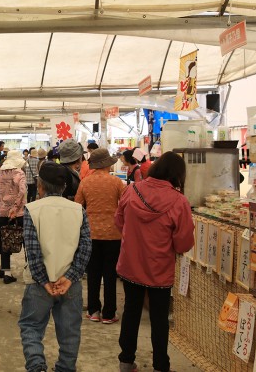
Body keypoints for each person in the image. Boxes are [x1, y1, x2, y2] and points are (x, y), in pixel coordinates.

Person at [115, 152, 195, 372]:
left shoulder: (131, 191)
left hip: (131, 264)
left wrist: (134, 238)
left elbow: (119, 222)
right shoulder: (180, 201)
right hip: (160, 268)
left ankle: (126, 362)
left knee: (131, 312)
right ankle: (161, 365)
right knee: (159, 319)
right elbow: (183, 243)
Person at [19, 162, 92, 372]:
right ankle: (66, 368)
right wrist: (70, 277)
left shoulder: (32, 210)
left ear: (40, 185)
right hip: (70, 284)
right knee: (70, 333)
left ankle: (37, 367)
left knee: (31, 326)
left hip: (38, 285)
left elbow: (32, 251)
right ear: (64, 186)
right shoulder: (79, 210)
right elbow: (86, 247)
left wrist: (43, 280)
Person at [75, 148, 126, 324]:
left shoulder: (85, 182)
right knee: (111, 274)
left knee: (93, 273)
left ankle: (94, 310)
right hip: (113, 234)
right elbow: (125, 204)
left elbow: (77, 206)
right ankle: (109, 313)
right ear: (108, 164)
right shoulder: (117, 183)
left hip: (90, 233)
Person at [0, 149, 27, 284]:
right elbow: (23, 191)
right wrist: (16, 207)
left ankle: (6, 273)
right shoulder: (19, 173)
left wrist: (1, 200)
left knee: (5, 241)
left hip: (3, 213)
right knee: (25, 241)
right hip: (19, 213)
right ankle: (28, 271)